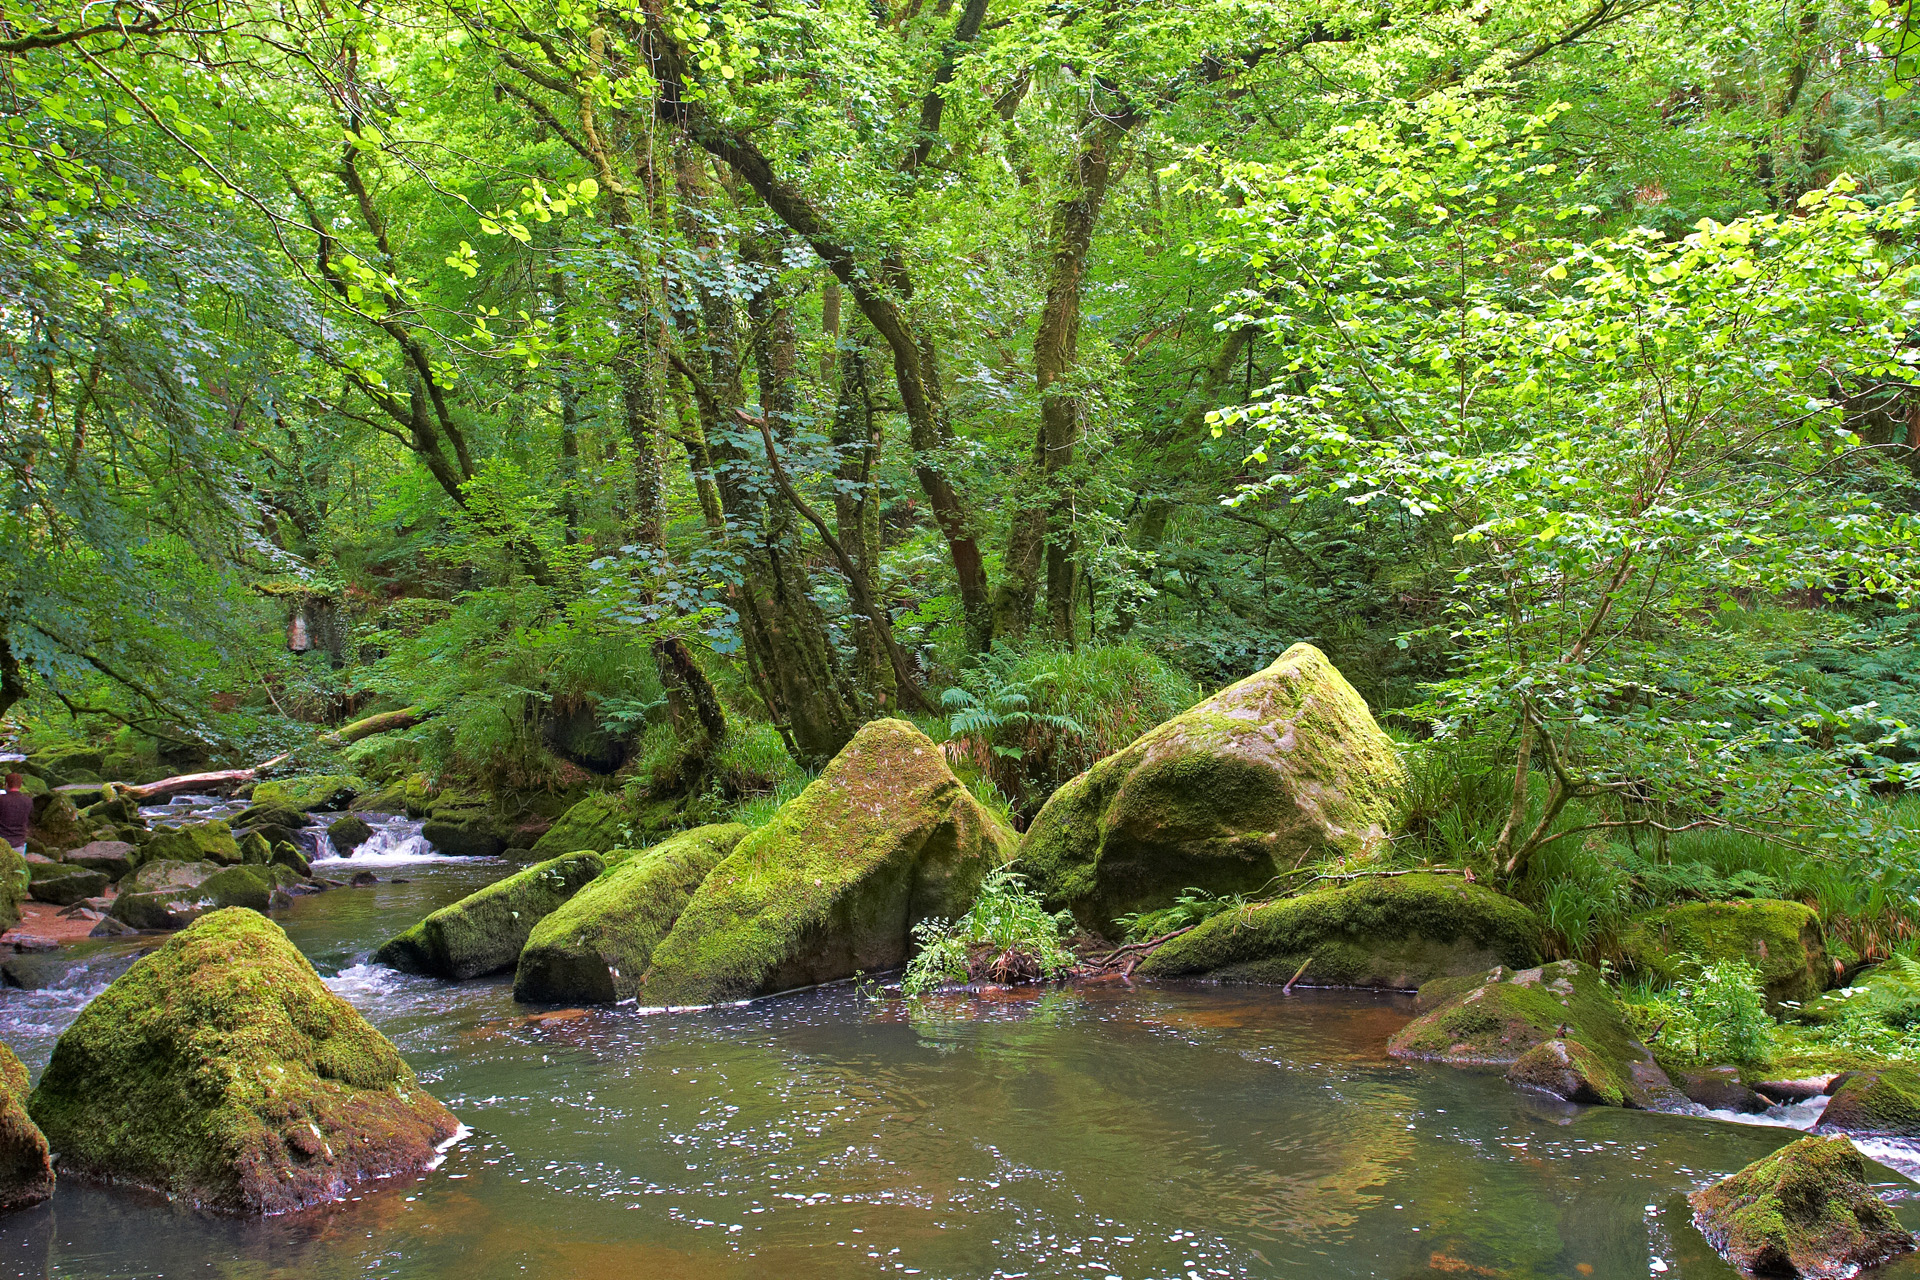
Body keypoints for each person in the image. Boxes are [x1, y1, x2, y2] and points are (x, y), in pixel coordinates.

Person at [0, 774, 31, 853]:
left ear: (6, 784)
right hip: (19, 844)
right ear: (20, 785)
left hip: (2, 842)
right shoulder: (28, 801)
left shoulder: (1, 799)